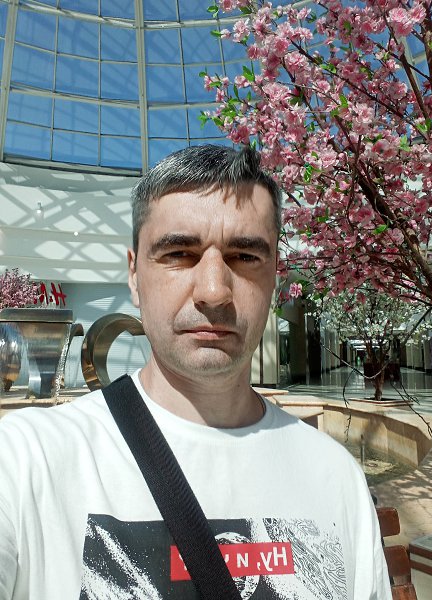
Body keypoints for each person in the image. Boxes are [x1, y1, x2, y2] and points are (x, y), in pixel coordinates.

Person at [0, 145, 391, 599]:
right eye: (179, 253)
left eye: (244, 257)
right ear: (134, 275)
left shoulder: (336, 477)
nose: (213, 291)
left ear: (275, 278)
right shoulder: (26, 461)